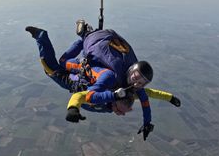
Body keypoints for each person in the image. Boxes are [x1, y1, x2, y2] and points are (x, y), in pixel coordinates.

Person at [24, 25, 181, 140]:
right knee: (54, 67)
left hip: (92, 79)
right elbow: (83, 96)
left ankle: (85, 36)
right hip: (79, 77)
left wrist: (167, 101)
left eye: (141, 82)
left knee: (59, 68)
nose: (120, 114)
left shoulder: (132, 90)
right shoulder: (109, 78)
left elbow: (149, 97)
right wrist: (73, 108)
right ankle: (46, 36)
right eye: (119, 110)